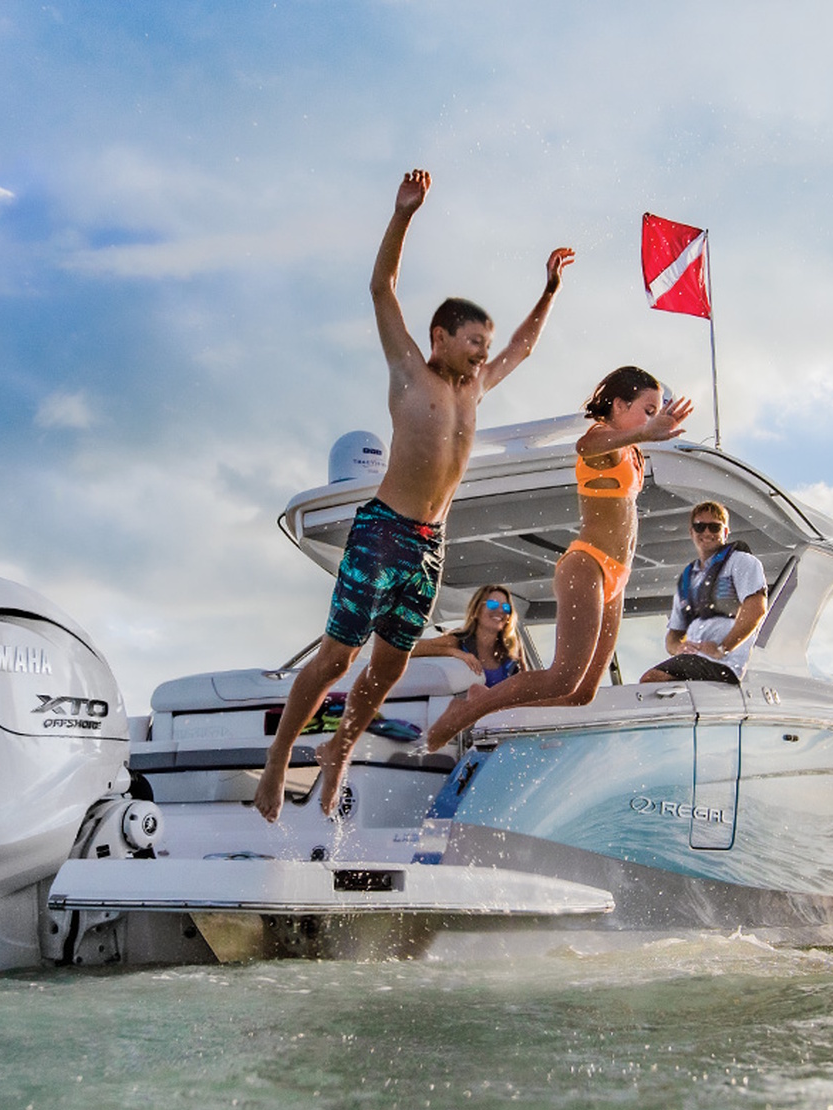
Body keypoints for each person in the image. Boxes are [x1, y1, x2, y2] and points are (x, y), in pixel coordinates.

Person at [253, 168, 575, 822]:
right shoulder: (408, 370)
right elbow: (382, 287)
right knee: (336, 658)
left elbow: (523, 347)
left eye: (486, 345)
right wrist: (403, 214)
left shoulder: (474, 388)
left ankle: (340, 748)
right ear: (440, 338)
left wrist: (548, 291)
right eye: (474, 342)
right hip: (382, 533)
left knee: (390, 668)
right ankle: (280, 758)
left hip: (430, 545)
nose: (484, 353)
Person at [424, 367, 692, 748]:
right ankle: (463, 714)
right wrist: (645, 431)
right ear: (619, 405)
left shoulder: (633, 452)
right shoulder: (602, 437)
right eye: (647, 410)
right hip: (587, 566)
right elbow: (584, 447)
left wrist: (649, 431)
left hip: (616, 578)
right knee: (562, 677)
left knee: (581, 694)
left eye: (656, 412)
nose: (653, 419)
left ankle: (492, 710)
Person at [639, 501, 768, 685]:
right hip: (694, 661)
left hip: (723, 665)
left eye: (714, 527)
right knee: (655, 688)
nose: (707, 533)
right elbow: (673, 636)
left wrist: (723, 648)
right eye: (700, 527)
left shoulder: (741, 562)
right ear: (691, 532)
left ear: (725, 532)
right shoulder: (688, 577)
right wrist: (679, 648)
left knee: (652, 679)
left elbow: (756, 609)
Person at [411, 584, 530, 687]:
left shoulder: (513, 647)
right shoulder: (458, 641)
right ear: (477, 610)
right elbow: (410, 649)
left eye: (506, 607)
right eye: (492, 604)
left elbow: (527, 685)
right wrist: (454, 652)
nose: (500, 611)